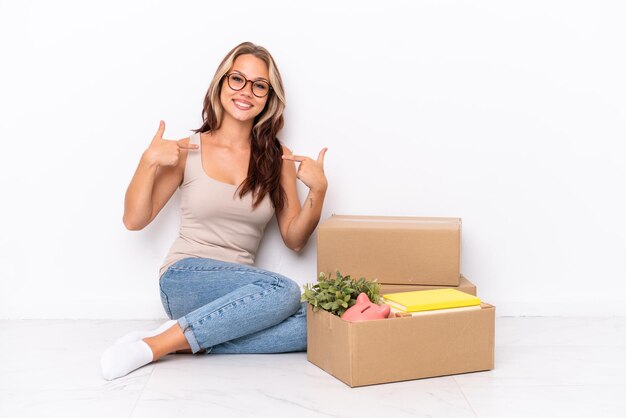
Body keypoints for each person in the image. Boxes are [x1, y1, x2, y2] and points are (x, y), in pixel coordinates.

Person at [100, 42, 328, 380]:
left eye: (259, 85)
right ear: (221, 84)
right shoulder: (187, 150)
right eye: (237, 79)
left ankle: (181, 337)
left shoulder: (278, 158)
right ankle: (154, 347)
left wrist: (319, 191)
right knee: (285, 292)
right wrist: (147, 162)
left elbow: (295, 239)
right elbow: (134, 220)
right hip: (185, 278)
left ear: (269, 97)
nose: (246, 91)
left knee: (316, 326)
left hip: (239, 298)